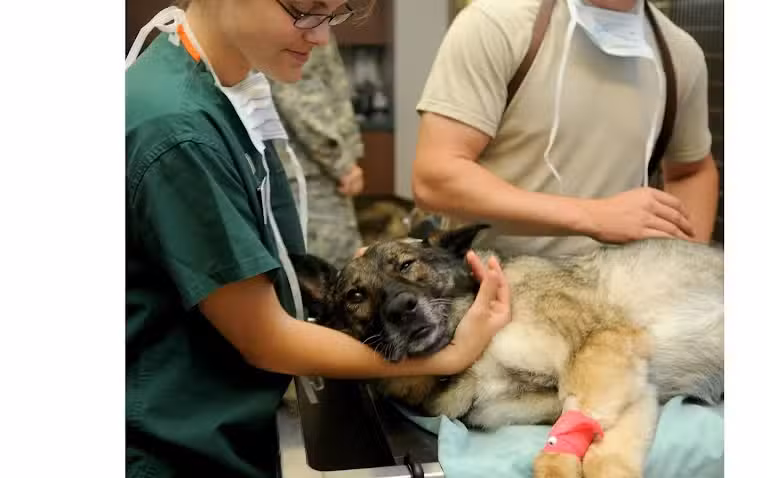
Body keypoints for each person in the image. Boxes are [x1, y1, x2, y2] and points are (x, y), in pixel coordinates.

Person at [125, 1, 512, 477]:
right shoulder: (179, 131)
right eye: (305, 11)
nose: (321, 37)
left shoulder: (229, 92)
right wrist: (453, 353)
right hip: (178, 451)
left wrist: (367, 279)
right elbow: (264, 338)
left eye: (332, 18)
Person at [413, 0, 719, 257]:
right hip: (493, 299)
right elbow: (435, 177)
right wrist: (591, 216)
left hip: (619, 303)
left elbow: (691, 170)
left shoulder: (680, 56)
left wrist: (684, 267)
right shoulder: (497, 25)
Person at [269, 35, 366, 269]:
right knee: (333, 274)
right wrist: (342, 164)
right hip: (309, 174)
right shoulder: (302, 19)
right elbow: (300, 96)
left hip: (303, 169)